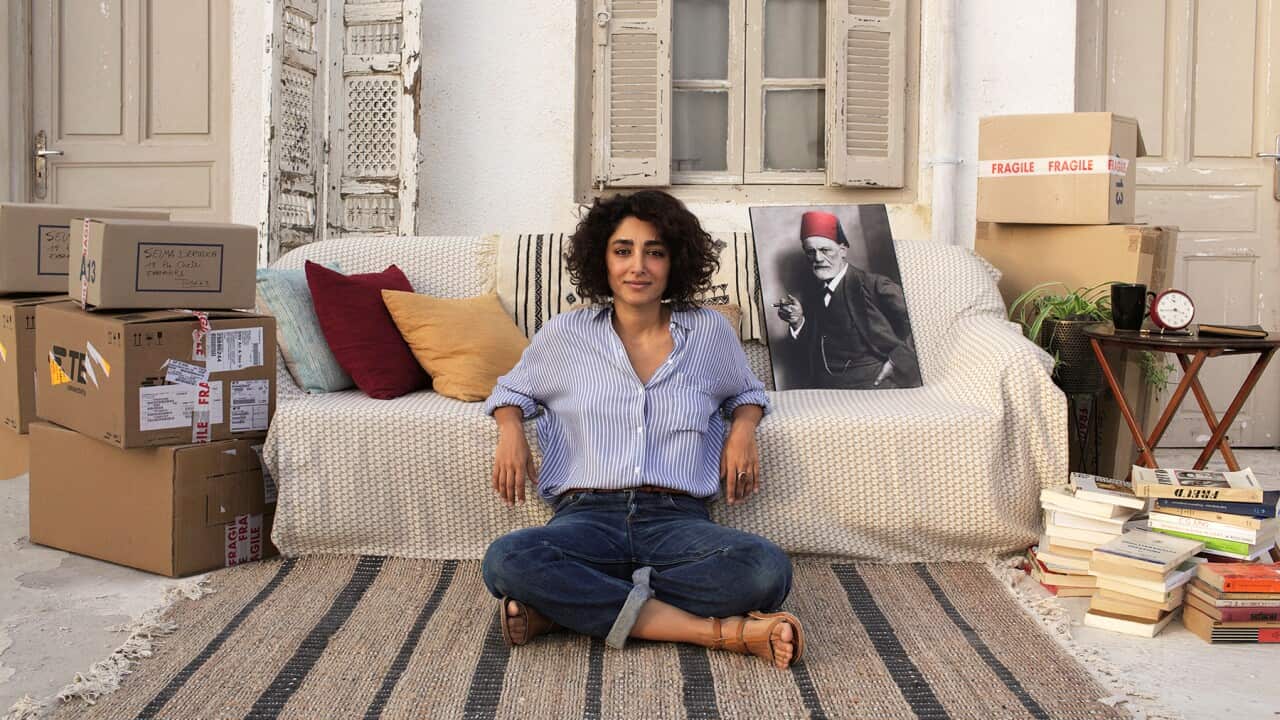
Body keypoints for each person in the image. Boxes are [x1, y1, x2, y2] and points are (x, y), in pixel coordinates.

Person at [480, 190, 804, 669]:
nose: (639, 266)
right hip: (585, 515)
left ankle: (562, 611)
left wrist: (742, 431)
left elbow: (748, 393)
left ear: (674, 262)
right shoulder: (566, 333)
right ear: (602, 260)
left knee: (765, 571)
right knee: (506, 559)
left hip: (677, 519)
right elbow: (510, 392)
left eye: (655, 251)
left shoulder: (709, 333)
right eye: (623, 250)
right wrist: (511, 432)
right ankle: (715, 633)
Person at [774, 210, 918, 389]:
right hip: (825, 392)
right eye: (811, 252)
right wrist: (797, 321)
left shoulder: (875, 285)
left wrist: (897, 361)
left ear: (842, 250)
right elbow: (813, 350)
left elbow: (921, 323)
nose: (818, 258)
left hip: (873, 389)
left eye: (825, 250)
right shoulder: (813, 296)